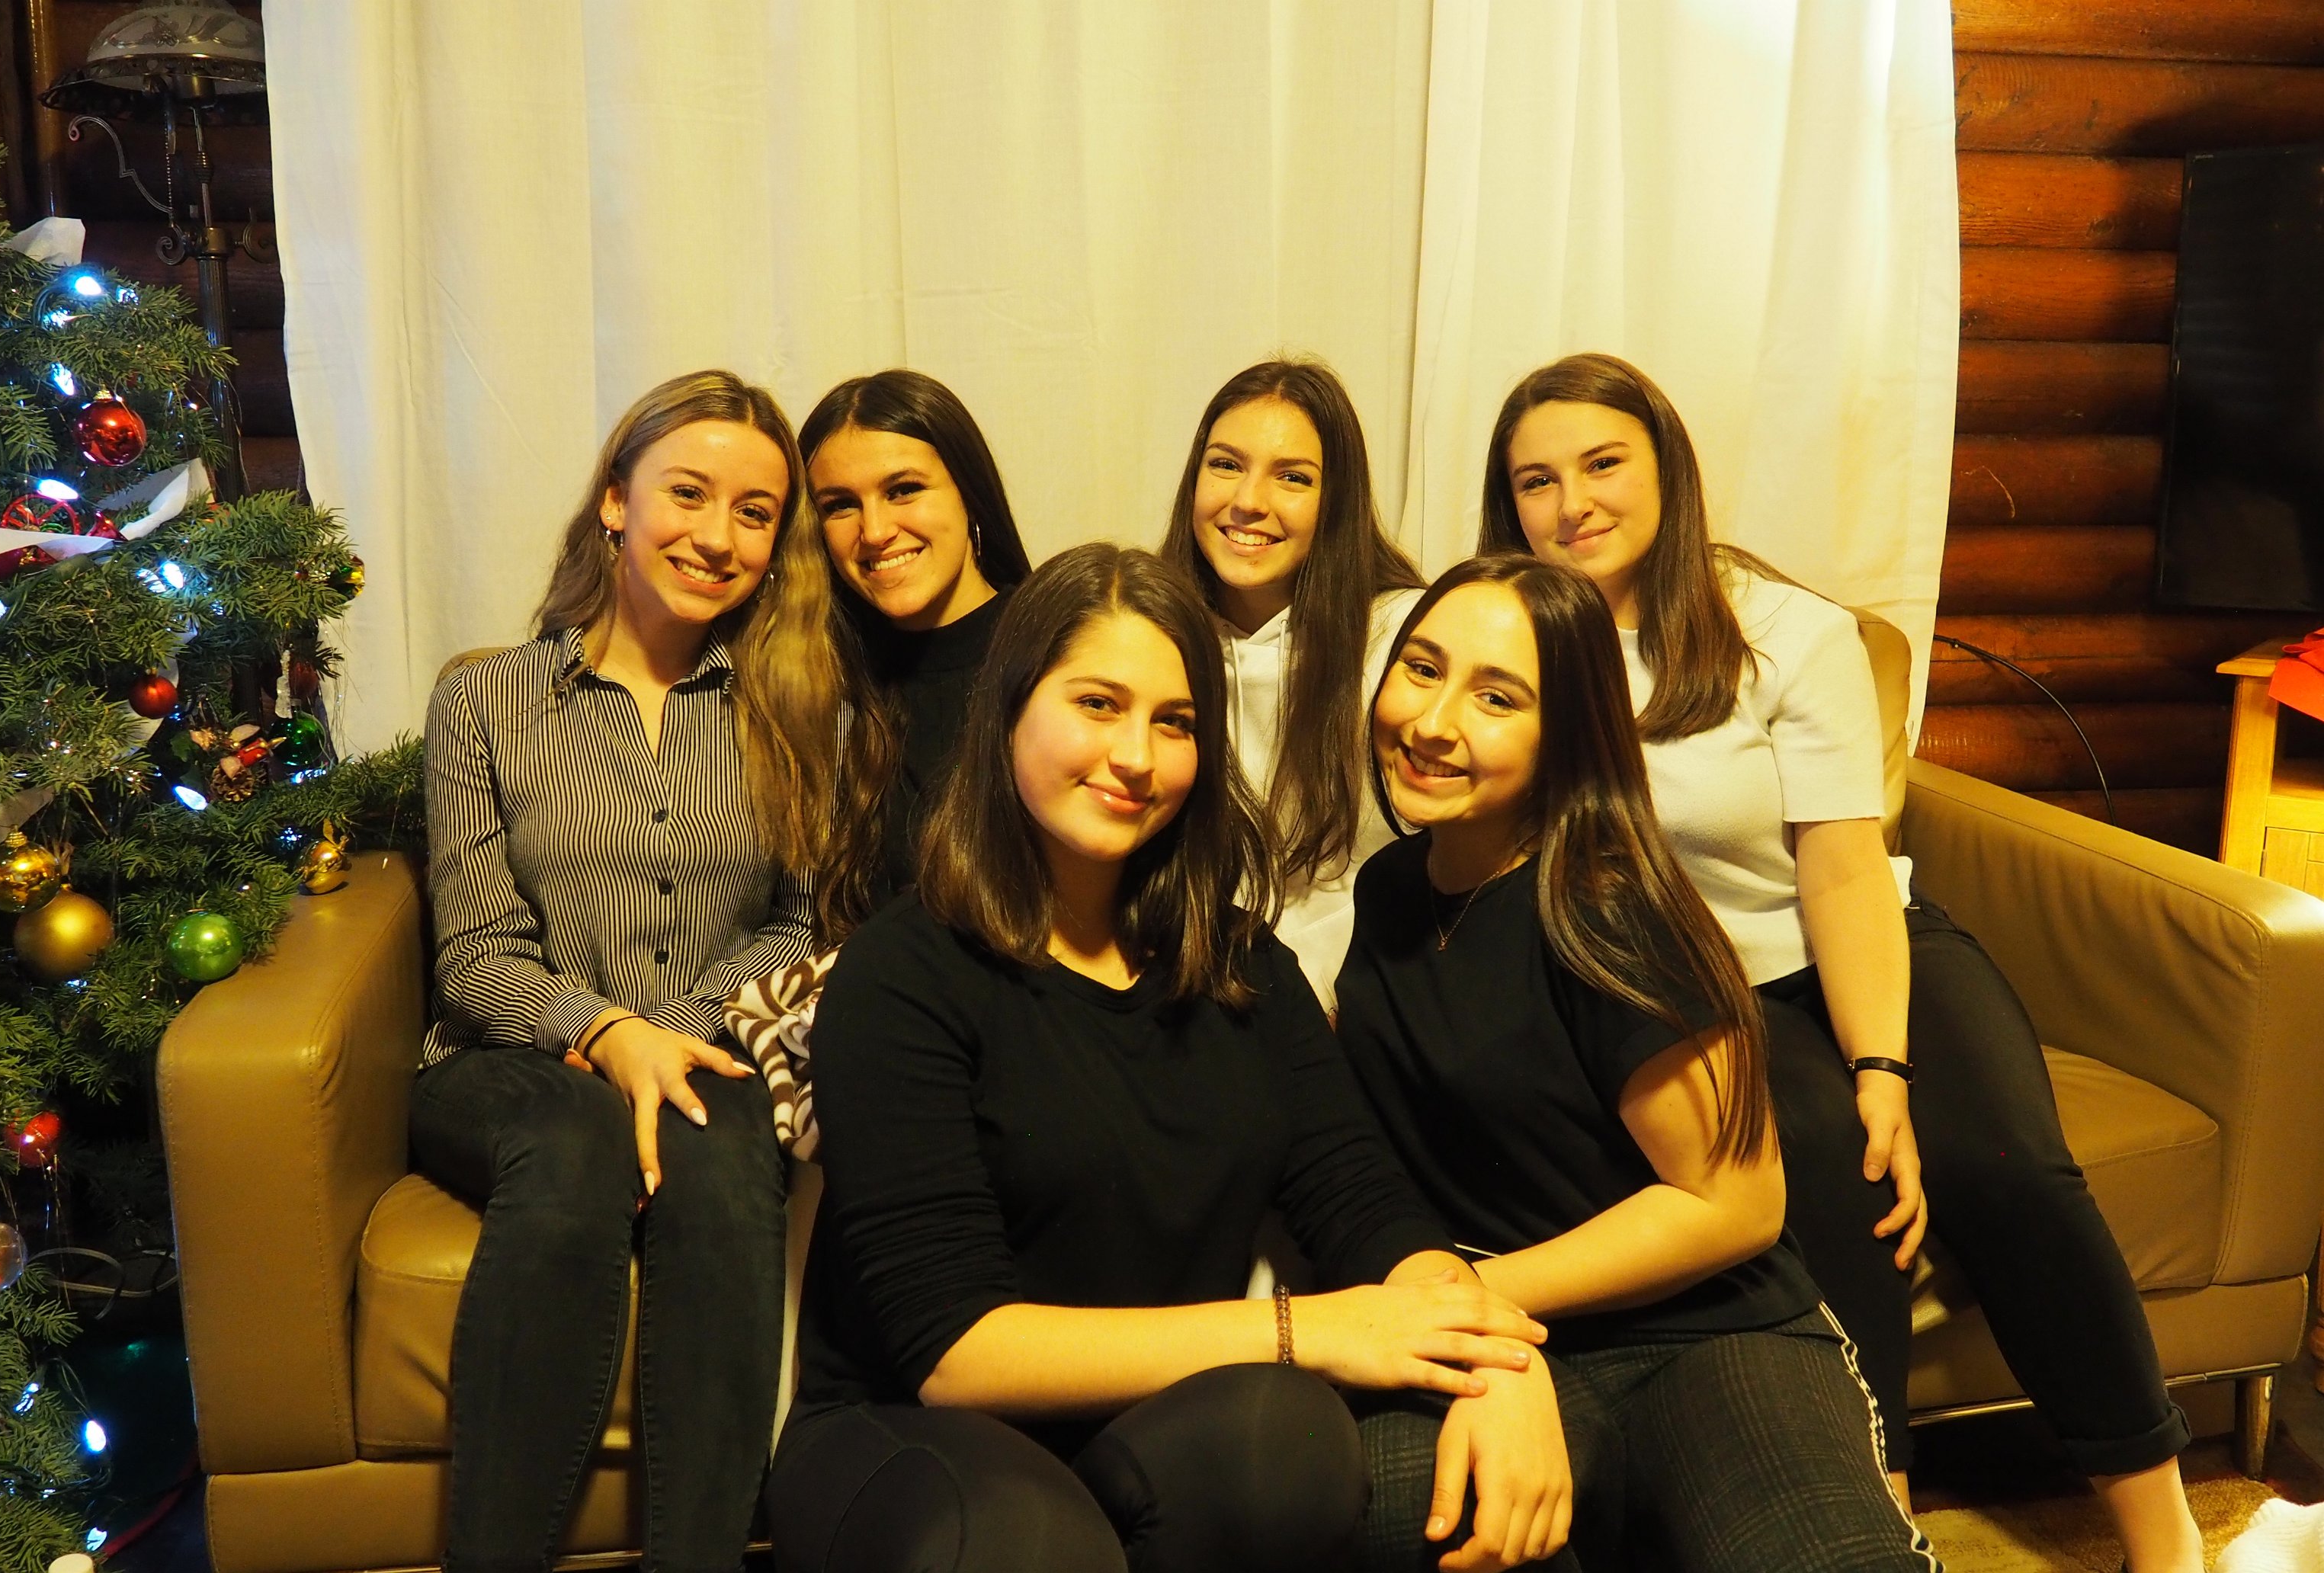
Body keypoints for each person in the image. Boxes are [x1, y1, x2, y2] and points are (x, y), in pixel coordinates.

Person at [1481, 351, 2199, 1573]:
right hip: (1700, 985)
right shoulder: (1513, 643)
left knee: (2012, 1171)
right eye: (1536, 481)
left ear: (1668, 470)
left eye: (1603, 464)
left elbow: (1843, 868)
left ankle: (2166, 1536)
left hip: (1867, 938)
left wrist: (1883, 1067)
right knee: (1832, 1169)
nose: (1573, 503)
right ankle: (1879, 1525)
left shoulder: (1780, 630)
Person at [766, 545, 1574, 1573]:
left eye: (1175, 722)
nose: (1137, 757)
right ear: (1008, 710)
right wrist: (1306, 1331)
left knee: (1289, 1443)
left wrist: (1497, 1365)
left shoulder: (1241, 966)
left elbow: (1365, 1204)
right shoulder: (904, 970)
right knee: (1029, 1543)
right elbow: (959, 1353)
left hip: (1138, 1424)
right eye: (1098, 704)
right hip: (907, 1437)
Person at [1340, 556, 1940, 1572]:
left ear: (1568, 731)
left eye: (1497, 698)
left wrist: (1468, 1302)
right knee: (1419, 1526)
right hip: (1506, 1331)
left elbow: (1734, 1205)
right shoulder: (1391, 891)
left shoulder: (1607, 906)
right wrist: (1473, 1324)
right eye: (1422, 669)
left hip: (1704, 1331)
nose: (1434, 722)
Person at [418, 370, 855, 1572]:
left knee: (729, 1150)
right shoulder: (486, 701)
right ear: (617, 501)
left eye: (756, 513)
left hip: (707, 1050)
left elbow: (799, 925)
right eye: (689, 494)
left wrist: (673, 1031)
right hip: (506, 1061)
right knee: (575, 1139)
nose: (718, 536)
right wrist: (606, 1034)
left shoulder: (799, 709)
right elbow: (475, 958)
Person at [1159, 357, 1424, 1007]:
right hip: (1189, 985)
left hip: (1369, 988)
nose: (1249, 502)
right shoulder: (1151, 635)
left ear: (1336, 501)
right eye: (1226, 465)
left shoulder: (1402, 637)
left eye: (1293, 477)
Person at [798, 369, 1034, 925]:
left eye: (903, 490)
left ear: (969, 493)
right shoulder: (821, 681)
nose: (876, 531)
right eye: (840, 505)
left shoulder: (1058, 652)